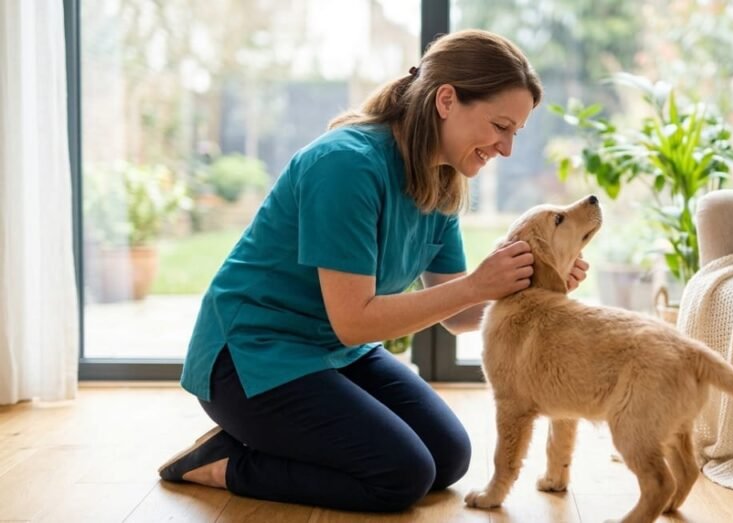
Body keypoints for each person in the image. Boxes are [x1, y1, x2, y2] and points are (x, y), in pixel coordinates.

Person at [157, 29, 590, 512]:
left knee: (448, 459)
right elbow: (355, 319)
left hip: (335, 351)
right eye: (500, 126)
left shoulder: (443, 179)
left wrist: (529, 288)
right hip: (250, 357)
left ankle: (281, 439)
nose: (506, 148)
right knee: (400, 476)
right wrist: (476, 285)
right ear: (447, 100)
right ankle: (224, 462)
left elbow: (460, 313)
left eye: (515, 133)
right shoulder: (345, 165)